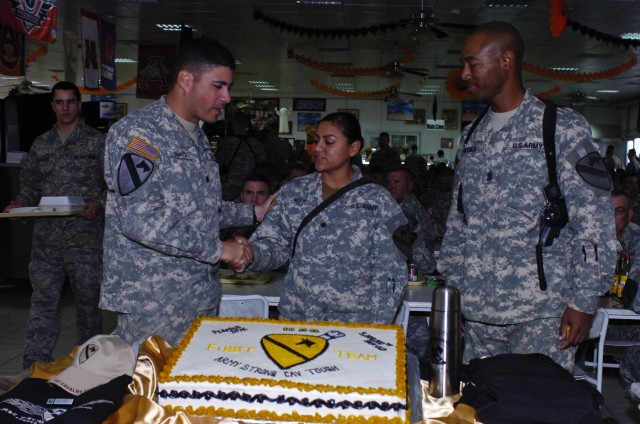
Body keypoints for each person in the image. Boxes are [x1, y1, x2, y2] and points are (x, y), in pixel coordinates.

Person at [438, 21, 616, 371]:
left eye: (473, 63)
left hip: (542, 313)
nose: (464, 74)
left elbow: (593, 222)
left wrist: (582, 302)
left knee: (539, 407)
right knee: (480, 408)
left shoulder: (560, 127)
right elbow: (459, 222)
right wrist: (455, 294)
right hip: (478, 313)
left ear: (506, 61)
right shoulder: (472, 135)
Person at [100, 37, 270, 347]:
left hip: (198, 293)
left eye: (228, 87)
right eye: (218, 86)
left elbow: (198, 209)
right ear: (186, 80)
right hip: (154, 304)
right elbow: (141, 220)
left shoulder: (197, 137)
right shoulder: (139, 135)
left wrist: (253, 212)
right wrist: (220, 249)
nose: (227, 97)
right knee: (152, 391)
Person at [244, 112, 410, 324]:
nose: (318, 148)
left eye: (329, 142)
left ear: (353, 148)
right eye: (316, 141)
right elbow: (273, 245)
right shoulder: (294, 192)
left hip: (353, 325)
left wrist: (375, 328)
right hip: (298, 318)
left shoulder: (378, 201)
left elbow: (391, 273)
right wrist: (250, 254)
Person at [2, 81, 105, 372]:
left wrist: (99, 204)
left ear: (79, 104)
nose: (65, 107)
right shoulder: (41, 144)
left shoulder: (96, 143)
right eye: (59, 102)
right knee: (43, 302)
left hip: (85, 240)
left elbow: (113, 185)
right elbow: (30, 184)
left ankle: (92, 363)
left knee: (88, 304)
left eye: (70, 101)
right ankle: (34, 365)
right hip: (47, 240)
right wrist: (19, 203)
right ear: (53, 106)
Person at [216, 111, 267, 201]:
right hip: (251, 190)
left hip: (229, 189)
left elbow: (216, 166)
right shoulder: (256, 143)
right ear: (247, 124)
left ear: (233, 123)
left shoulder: (227, 143)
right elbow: (263, 166)